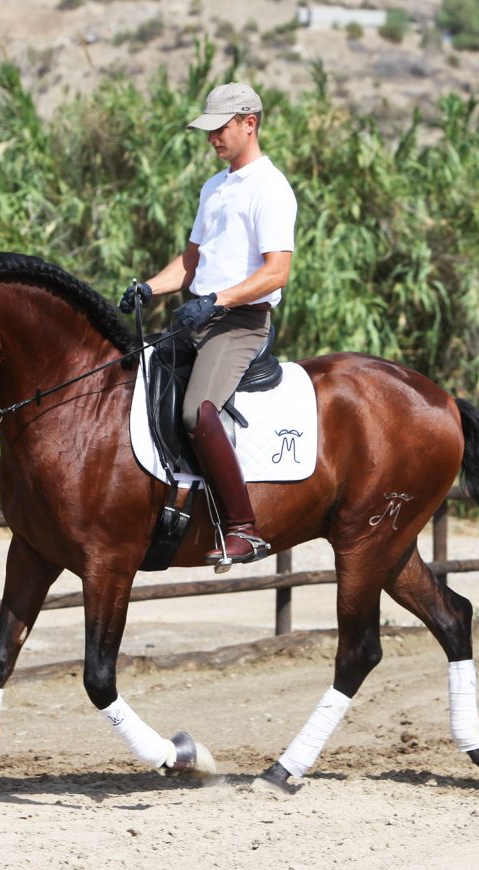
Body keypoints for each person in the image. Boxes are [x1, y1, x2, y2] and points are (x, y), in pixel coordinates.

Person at [120, 81, 297, 566]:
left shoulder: (270, 187)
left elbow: (276, 272)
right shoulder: (214, 187)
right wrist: (150, 288)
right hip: (199, 318)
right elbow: (190, 263)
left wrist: (217, 301)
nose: (212, 138)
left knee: (197, 412)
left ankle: (244, 527)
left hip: (240, 324)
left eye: (220, 129)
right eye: (209, 130)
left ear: (249, 123)